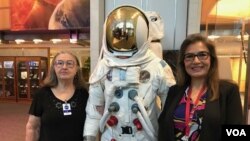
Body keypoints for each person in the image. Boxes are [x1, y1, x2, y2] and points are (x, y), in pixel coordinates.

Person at [83, 5, 176, 141]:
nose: (123, 45)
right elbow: (94, 109)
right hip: (112, 135)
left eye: (128, 38)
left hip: (146, 135)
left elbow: (171, 106)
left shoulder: (156, 65)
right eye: (118, 37)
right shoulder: (104, 66)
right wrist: (89, 136)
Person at [158, 33, 243, 141]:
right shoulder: (174, 91)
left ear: (211, 59)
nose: (196, 61)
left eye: (202, 55)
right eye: (189, 56)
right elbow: (164, 129)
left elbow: (237, 133)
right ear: (183, 62)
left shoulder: (228, 90)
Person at [25, 51, 89, 141]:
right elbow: (32, 127)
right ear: (54, 68)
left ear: (77, 69)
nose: (64, 67)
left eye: (69, 63)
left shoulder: (84, 94)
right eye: (60, 63)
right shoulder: (42, 94)